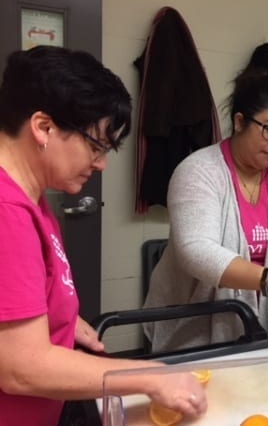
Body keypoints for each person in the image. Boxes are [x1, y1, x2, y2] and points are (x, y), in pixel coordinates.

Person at [0, 46, 207, 426]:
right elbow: (20, 368)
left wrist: (57, 316)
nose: (101, 163)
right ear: (43, 127)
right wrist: (151, 377)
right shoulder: (6, 211)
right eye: (95, 146)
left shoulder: (31, 198)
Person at [143, 73, 268, 352]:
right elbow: (195, 250)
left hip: (259, 325)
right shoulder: (199, 171)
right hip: (193, 327)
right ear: (240, 122)